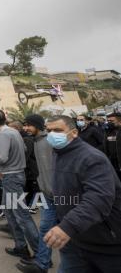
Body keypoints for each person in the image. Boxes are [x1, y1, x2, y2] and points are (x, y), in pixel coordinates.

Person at [44, 115, 121, 272]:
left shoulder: (91, 157)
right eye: (48, 131)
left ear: (74, 133)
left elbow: (98, 199)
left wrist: (68, 226)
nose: (52, 134)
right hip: (75, 241)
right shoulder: (58, 153)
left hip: (105, 244)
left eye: (57, 130)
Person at [0, 109, 39, 259]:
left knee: (22, 215)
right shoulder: (14, 131)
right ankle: (21, 246)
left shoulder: (4, 133)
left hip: (11, 176)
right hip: (17, 174)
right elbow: (24, 149)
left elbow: (3, 157)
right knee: (9, 211)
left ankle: (40, 253)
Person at [17, 114, 58, 273]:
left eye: (28, 125)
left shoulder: (50, 141)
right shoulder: (36, 141)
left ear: (38, 125)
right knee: (45, 228)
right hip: (47, 194)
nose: (25, 128)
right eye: (24, 125)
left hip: (60, 195)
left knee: (71, 233)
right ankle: (42, 264)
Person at [106, 112, 121, 181]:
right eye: (108, 121)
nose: (109, 123)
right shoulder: (107, 132)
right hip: (113, 165)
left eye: (111, 121)